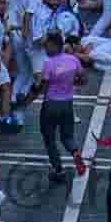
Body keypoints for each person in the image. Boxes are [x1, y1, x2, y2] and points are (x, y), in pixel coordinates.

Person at [37, 31, 88, 183]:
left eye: (46, 45)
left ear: (54, 45)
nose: (45, 48)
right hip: (67, 104)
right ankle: (75, 152)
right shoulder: (73, 59)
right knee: (67, 136)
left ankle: (58, 169)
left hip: (51, 104)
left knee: (49, 138)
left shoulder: (48, 63)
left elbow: (44, 86)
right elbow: (83, 78)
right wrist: (71, 83)